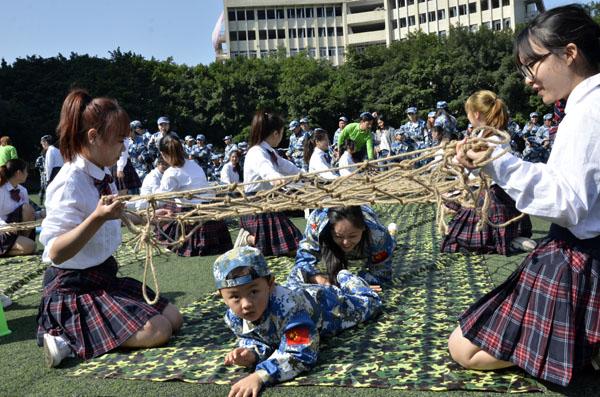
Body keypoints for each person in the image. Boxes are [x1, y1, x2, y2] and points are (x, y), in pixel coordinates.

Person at [448, 5, 600, 386]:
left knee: (464, 349)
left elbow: (568, 202)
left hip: (579, 255)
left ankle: (581, 347)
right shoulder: (583, 107)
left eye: (533, 62)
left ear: (569, 53)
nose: (529, 78)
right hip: (577, 249)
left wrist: (499, 164)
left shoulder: (588, 113)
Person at [37, 89, 183, 368]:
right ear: (93, 137)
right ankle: (64, 336)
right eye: (119, 141)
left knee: (174, 318)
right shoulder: (69, 182)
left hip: (103, 278)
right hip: (73, 290)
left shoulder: (101, 173)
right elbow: (55, 252)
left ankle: (79, 334)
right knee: (158, 331)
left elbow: (113, 213)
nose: (123, 149)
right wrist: (97, 218)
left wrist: (145, 218)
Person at [215, 246, 381, 396]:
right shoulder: (233, 316)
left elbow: (301, 352)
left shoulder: (289, 308)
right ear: (222, 296)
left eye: (254, 292)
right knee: (297, 279)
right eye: (235, 296)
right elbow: (258, 337)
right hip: (299, 292)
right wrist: (251, 352)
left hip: (330, 307)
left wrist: (260, 375)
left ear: (270, 284)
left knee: (370, 303)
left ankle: (346, 278)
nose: (246, 304)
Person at [440, 90, 535, 256]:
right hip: (494, 189)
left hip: (495, 192)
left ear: (476, 114)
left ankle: (509, 239)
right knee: (454, 199)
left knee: (461, 238)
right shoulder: (486, 134)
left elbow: (479, 168)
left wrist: (460, 161)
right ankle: (512, 237)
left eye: (468, 113)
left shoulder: (493, 138)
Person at [238, 110, 303, 256]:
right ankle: (248, 238)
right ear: (275, 133)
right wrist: (275, 177)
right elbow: (266, 170)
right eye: (282, 133)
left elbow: (290, 168)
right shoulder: (256, 152)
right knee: (288, 246)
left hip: (268, 204)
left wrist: (307, 178)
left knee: (294, 242)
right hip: (255, 207)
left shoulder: (271, 153)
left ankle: (256, 238)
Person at [155, 133, 232, 257]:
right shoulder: (193, 164)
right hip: (209, 209)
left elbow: (160, 198)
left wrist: (143, 203)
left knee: (168, 207)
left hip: (192, 212)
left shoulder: (171, 173)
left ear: (163, 154)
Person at [289, 205, 395, 289]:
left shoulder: (377, 235)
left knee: (391, 245)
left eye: (352, 236)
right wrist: (314, 277)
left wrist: (354, 282)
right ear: (330, 231)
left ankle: (392, 234)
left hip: (366, 245)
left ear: (363, 228)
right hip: (328, 236)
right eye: (339, 236)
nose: (346, 242)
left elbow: (382, 275)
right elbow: (303, 260)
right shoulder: (316, 223)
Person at [0, 159, 36, 257]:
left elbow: (27, 214)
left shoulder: (23, 190)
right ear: (19, 173)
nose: (27, 174)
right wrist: (4, 226)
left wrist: (41, 214)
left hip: (15, 231)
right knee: (31, 246)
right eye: (26, 171)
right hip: (2, 230)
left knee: (27, 209)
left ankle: (22, 241)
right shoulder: (1, 189)